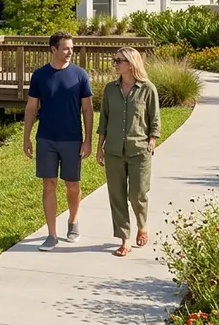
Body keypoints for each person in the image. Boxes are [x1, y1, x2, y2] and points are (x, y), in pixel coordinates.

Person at [23, 31, 94, 251]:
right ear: (53, 49)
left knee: (72, 185)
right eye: (65, 48)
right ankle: (51, 234)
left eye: (71, 48)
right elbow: (32, 107)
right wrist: (26, 137)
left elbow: (88, 109)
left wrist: (88, 139)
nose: (70, 52)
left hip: (72, 139)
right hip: (46, 138)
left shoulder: (80, 75)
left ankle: (73, 221)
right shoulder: (40, 75)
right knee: (49, 184)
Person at [96, 47, 160, 257]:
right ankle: (125, 239)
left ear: (131, 63)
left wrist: (151, 140)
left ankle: (142, 224)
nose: (115, 64)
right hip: (113, 150)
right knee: (117, 196)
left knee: (137, 195)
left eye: (118, 61)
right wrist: (99, 147)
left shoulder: (147, 89)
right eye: (114, 60)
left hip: (139, 149)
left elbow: (154, 119)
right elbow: (103, 120)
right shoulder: (110, 89)